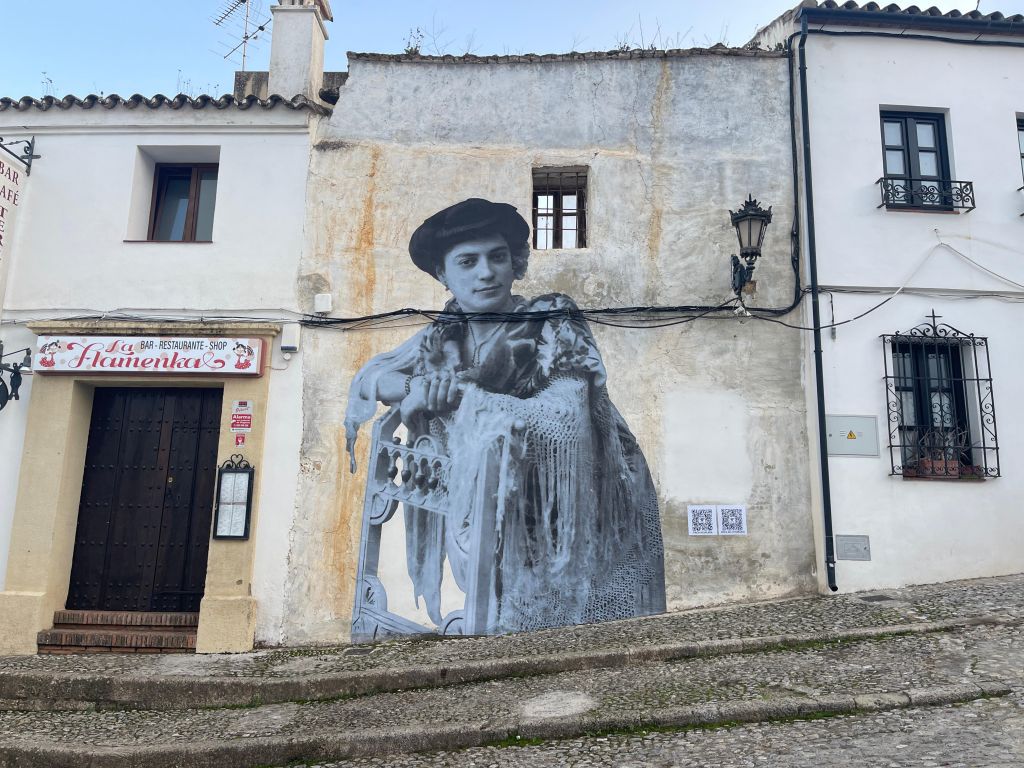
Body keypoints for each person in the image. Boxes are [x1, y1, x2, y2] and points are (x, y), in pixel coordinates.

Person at [345, 198, 666, 634]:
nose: (485, 272)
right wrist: (414, 389)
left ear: (515, 263)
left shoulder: (551, 319)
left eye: (497, 257)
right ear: (443, 275)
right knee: (509, 613)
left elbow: (564, 418)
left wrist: (462, 399)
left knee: (588, 624)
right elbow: (372, 377)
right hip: (503, 495)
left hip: (589, 488)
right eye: (468, 261)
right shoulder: (444, 334)